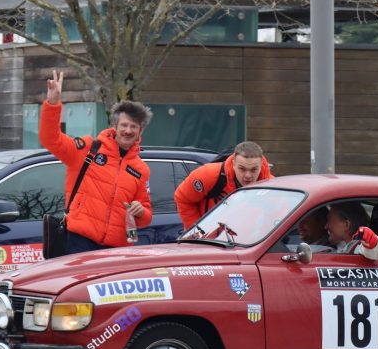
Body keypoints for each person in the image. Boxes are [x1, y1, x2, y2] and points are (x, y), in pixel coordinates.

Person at [39, 70, 153, 254]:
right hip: (79, 242)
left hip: (116, 251)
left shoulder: (141, 169)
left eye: (134, 126)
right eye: (124, 125)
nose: (128, 130)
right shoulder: (89, 149)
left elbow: (146, 217)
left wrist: (140, 211)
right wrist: (53, 104)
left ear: (141, 132)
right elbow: (50, 140)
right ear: (114, 126)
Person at [174, 141, 273, 230]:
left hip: (250, 243)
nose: (248, 176)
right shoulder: (208, 175)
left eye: (253, 170)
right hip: (210, 241)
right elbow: (183, 198)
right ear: (234, 164)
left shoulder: (274, 188)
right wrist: (197, 232)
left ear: (261, 166)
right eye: (242, 169)